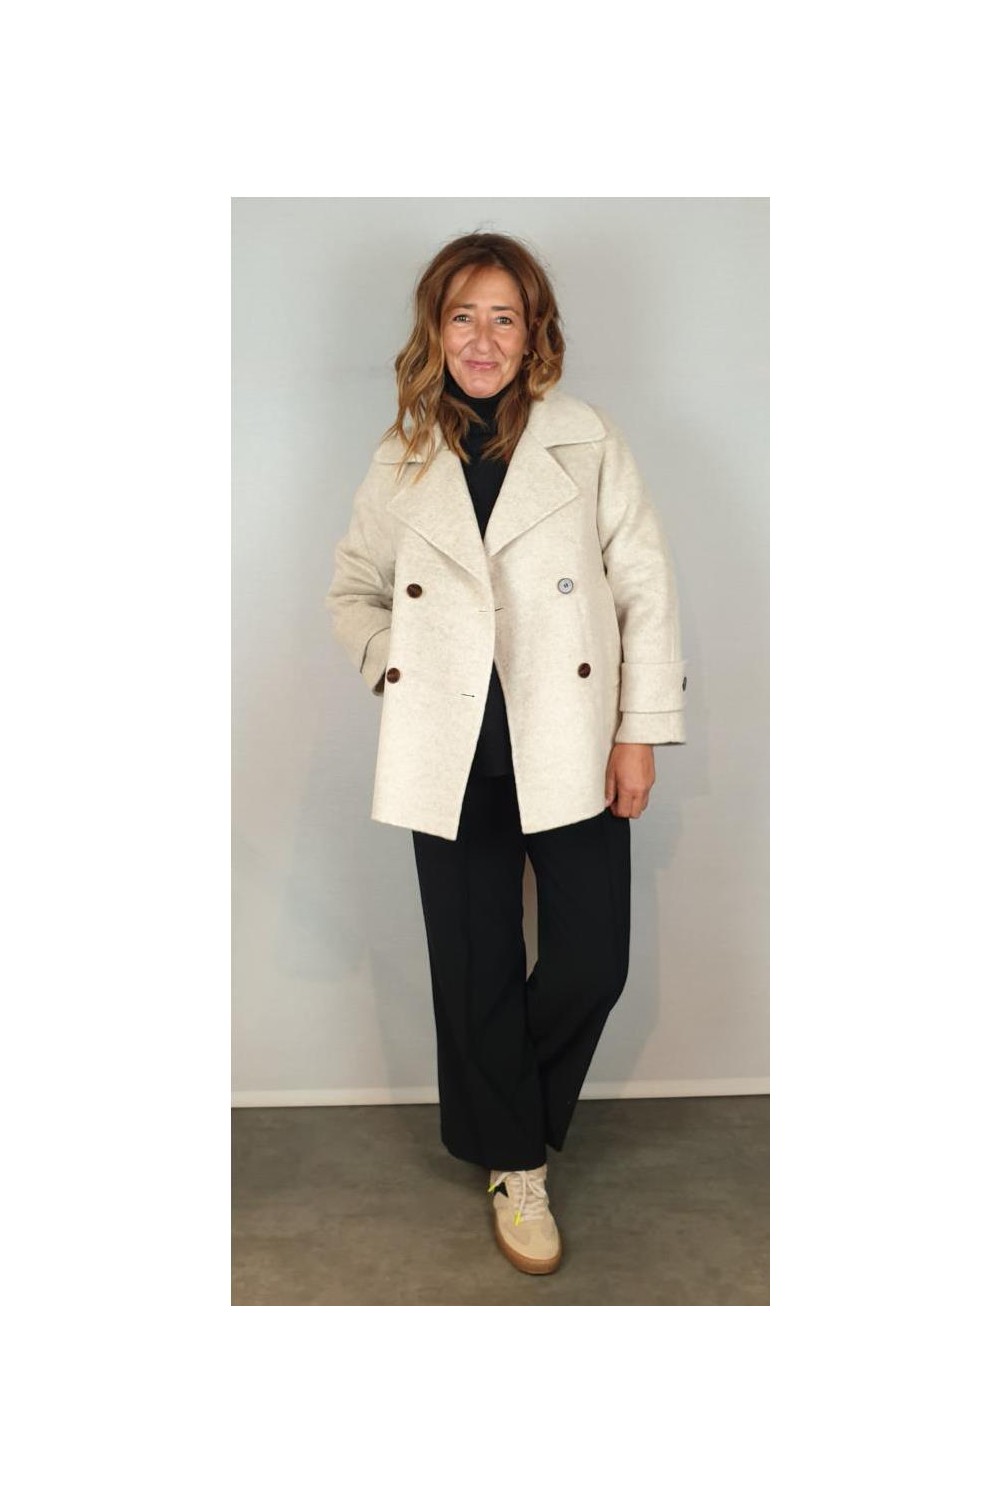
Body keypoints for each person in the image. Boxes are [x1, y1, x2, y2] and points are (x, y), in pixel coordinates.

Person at [325, 231, 687, 1276]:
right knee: (476, 965)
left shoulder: (585, 438)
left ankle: (498, 1106)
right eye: (462, 316)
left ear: (534, 334)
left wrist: (638, 731)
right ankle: (516, 1164)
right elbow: (352, 590)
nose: (482, 339)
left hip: (568, 735)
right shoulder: (400, 455)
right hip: (449, 747)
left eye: (504, 317)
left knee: (592, 960)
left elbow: (645, 587)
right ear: (435, 330)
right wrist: (396, 666)